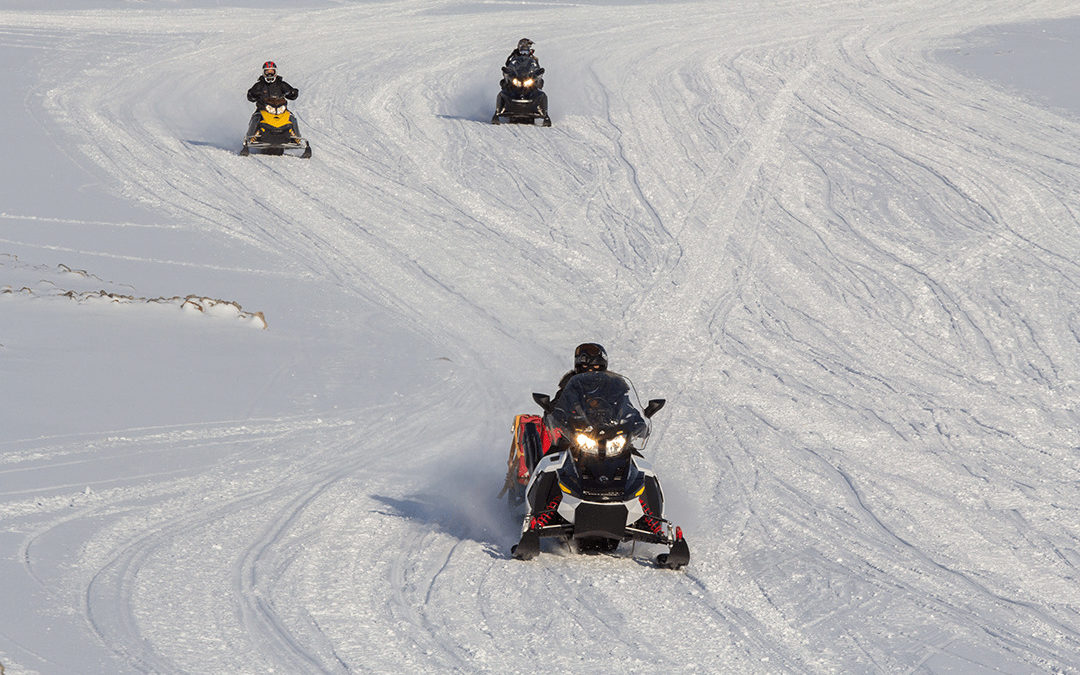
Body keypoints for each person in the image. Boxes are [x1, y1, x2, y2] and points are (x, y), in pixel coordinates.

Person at [245, 61, 299, 139]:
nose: (269, 74)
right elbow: (251, 95)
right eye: (267, 71)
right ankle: (251, 137)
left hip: (280, 109)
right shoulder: (260, 85)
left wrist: (292, 92)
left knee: (291, 117)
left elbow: (291, 94)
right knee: (256, 116)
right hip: (263, 108)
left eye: (271, 71)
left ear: (275, 72)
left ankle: (296, 137)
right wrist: (252, 94)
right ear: (264, 72)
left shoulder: (281, 84)